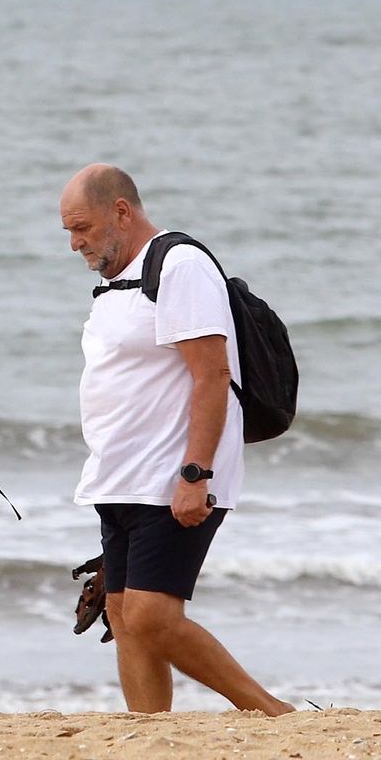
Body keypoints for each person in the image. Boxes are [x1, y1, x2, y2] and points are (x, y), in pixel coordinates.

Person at [59, 163, 293, 716]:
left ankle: (273, 714)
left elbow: (211, 374)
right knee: (121, 612)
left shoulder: (180, 265)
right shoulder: (119, 281)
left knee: (151, 616)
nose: (75, 243)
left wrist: (196, 474)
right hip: (120, 476)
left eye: (82, 227)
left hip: (174, 476)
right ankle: (152, 731)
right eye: (69, 231)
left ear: (122, 210)